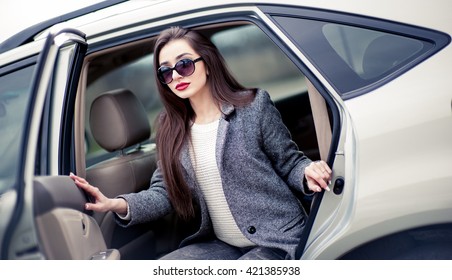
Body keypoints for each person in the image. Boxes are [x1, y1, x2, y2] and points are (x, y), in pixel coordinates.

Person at [70, 26, 332, 260]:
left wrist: (308, 172)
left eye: (184, 65)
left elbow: (289, 162)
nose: (176, 76)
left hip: (274, 238)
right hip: (221, 245)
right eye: (166, 72)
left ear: (206, 62)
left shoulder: (254, 106)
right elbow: (165, 194)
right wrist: (116, 203)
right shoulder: (170, 128)